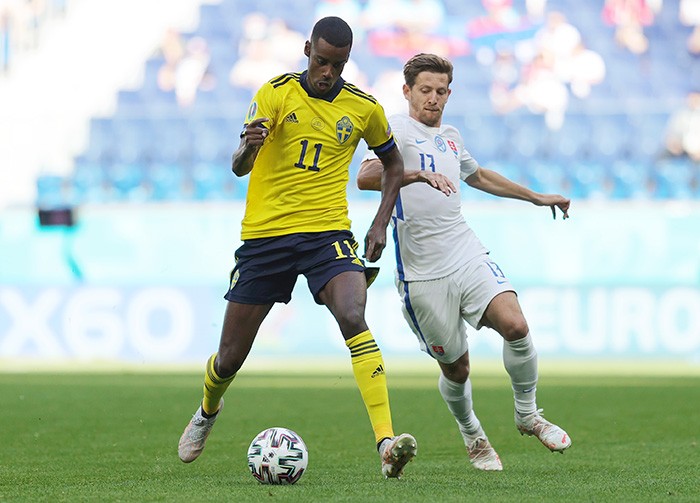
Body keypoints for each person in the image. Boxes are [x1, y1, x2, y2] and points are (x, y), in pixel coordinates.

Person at [177, 16, 417, 479]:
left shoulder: (364, 108)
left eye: (338, 65)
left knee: (353, 315)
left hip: (327, 234)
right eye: (322, 61)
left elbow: (393, 164)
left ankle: (386, 443)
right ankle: (207, 410)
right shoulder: (275, 92)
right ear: (307, 49)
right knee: (229, 357)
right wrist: (249, 147)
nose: (328, 72)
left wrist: (380, 222)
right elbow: (239, 167)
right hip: (266, 237)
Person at [357, 53, 572, 471]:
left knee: (516, 323)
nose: (433, 99)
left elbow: (480, 176)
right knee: (456, 368)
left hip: (464, 250)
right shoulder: (396, 130)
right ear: (407, 92)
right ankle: (473, 436)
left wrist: (537, 197)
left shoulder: (451, 136)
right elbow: (366, 176)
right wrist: (416, 176)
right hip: (421, 274)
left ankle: (528, 415)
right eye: (425, 91)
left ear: (449, 94)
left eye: (441, 91)